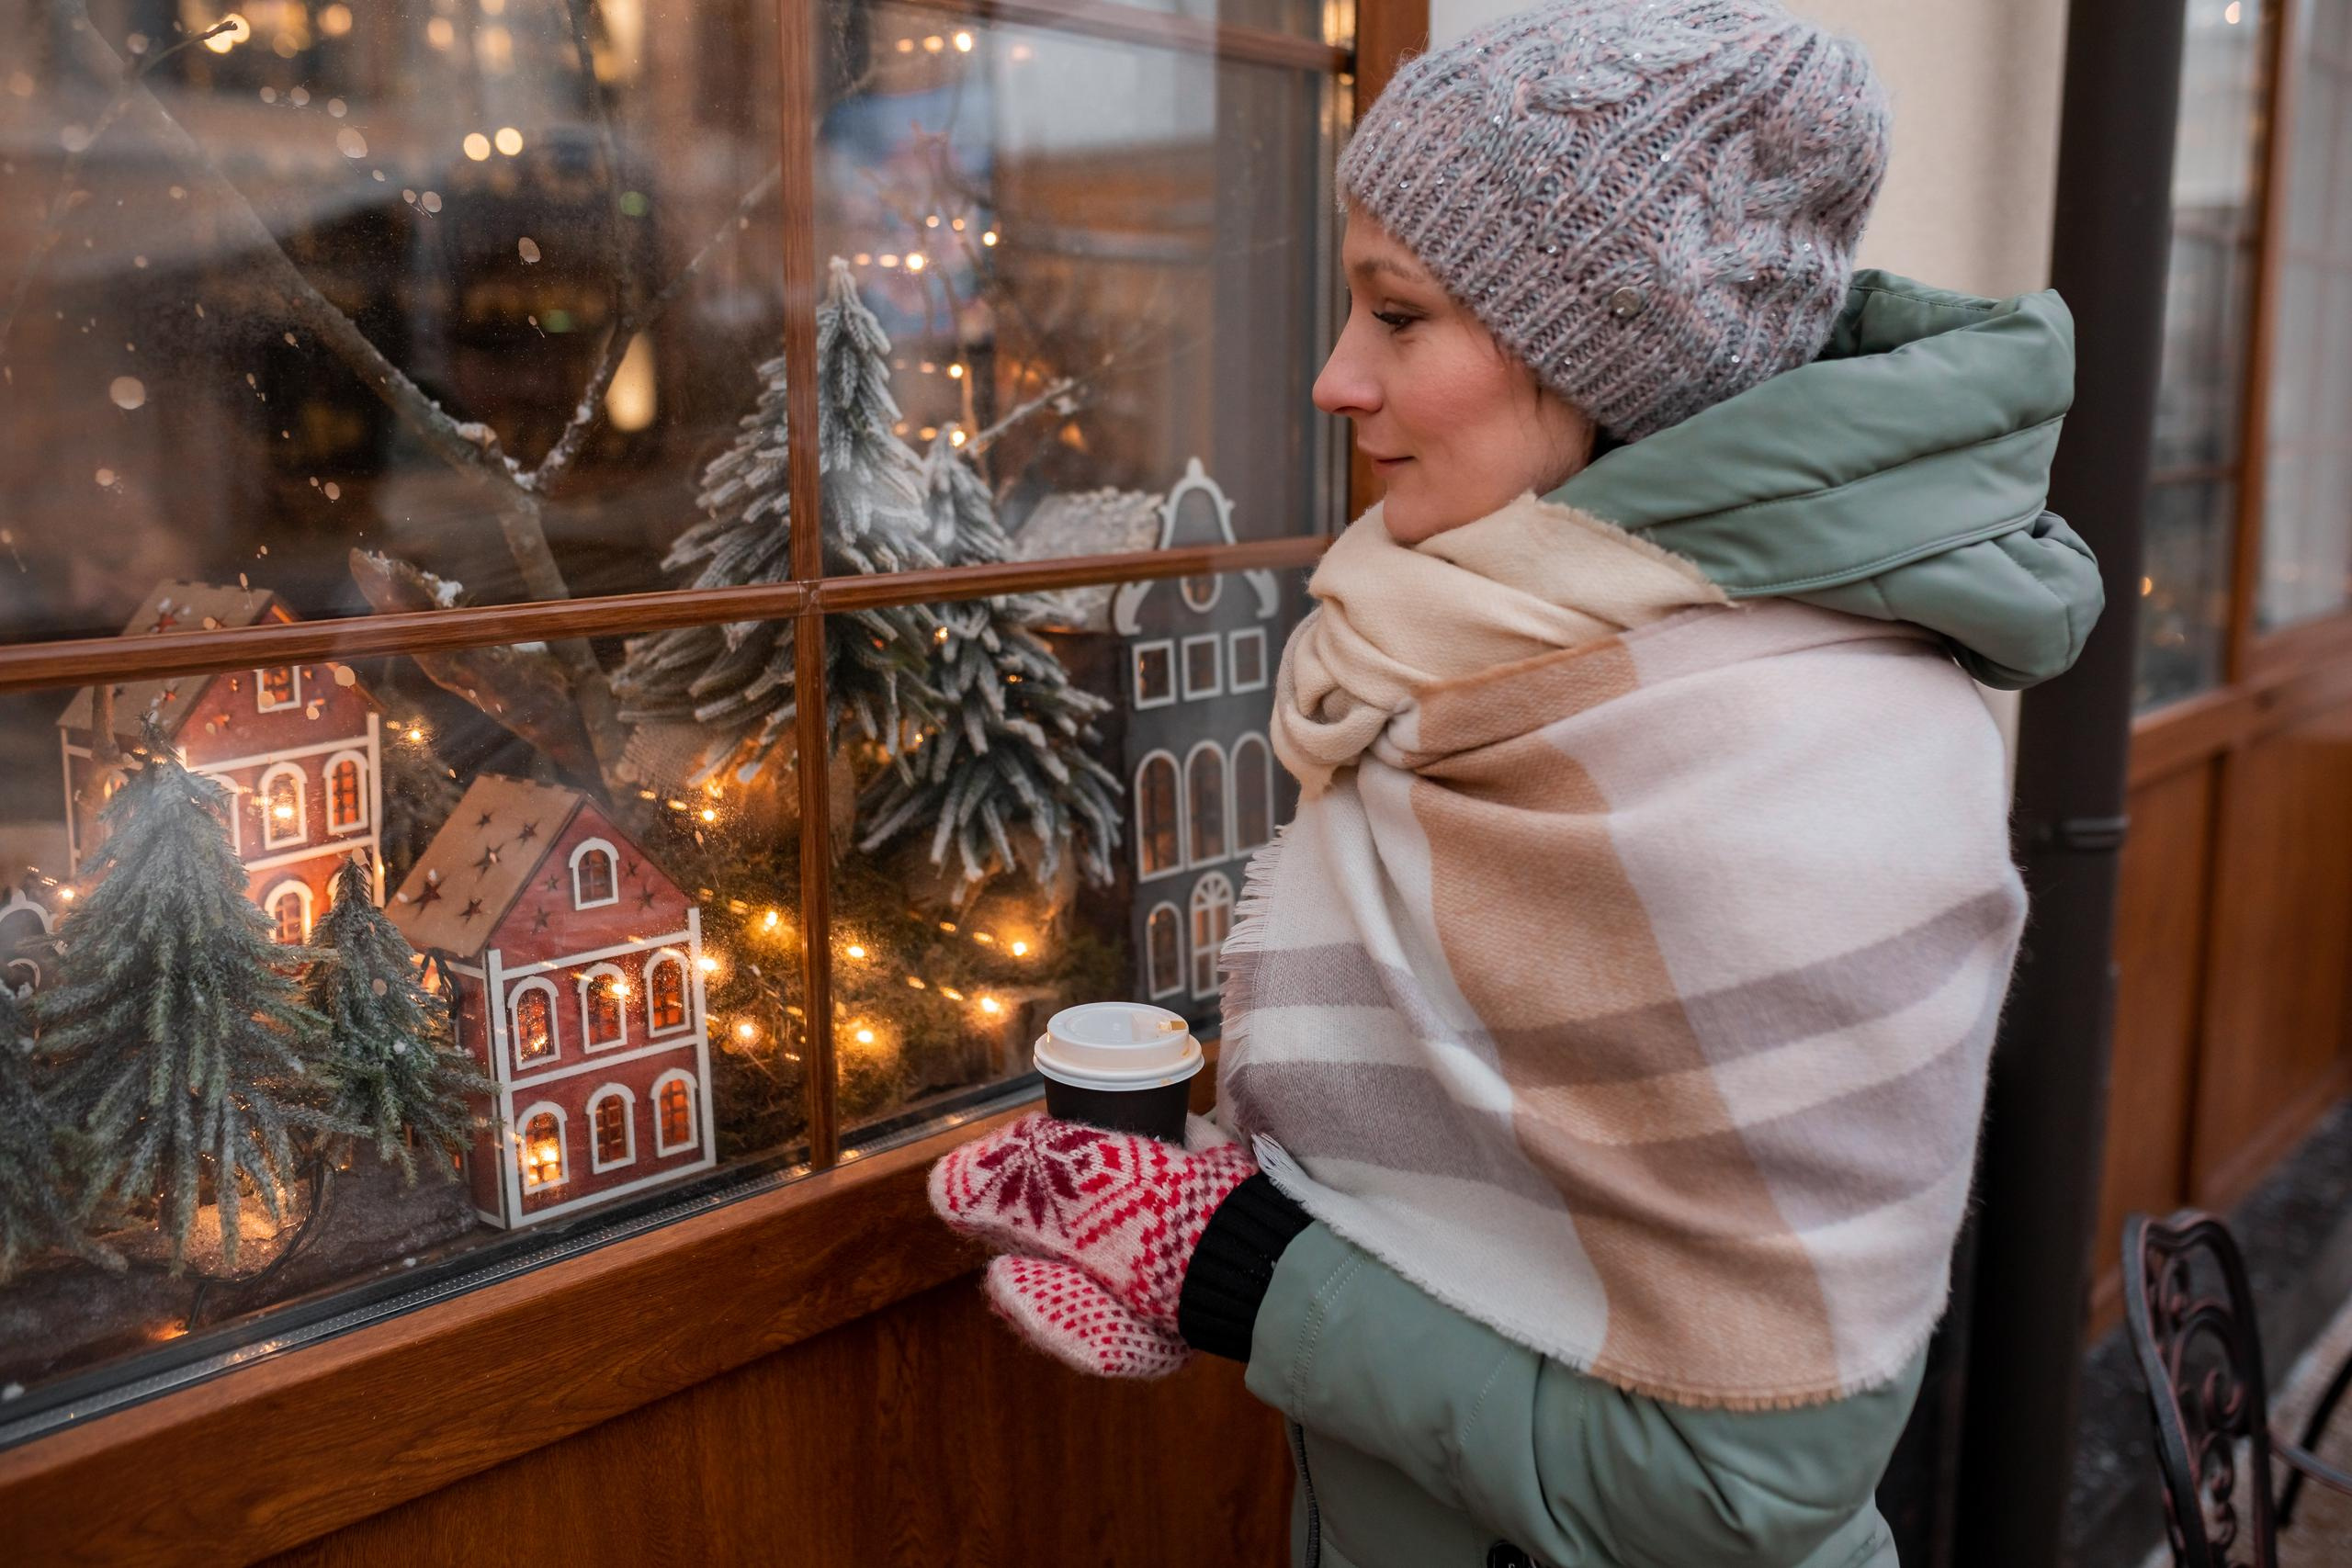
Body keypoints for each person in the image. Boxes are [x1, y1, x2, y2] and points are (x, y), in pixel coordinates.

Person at [931, 3, 2105, 1564]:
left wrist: (1239, 1268)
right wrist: (1223, 1205)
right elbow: (1503, 1133)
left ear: (1610, 356)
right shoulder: (1489, 659)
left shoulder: (1798, 782)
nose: (1335, 380)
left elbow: (1740, 1497)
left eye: (1399, 316)